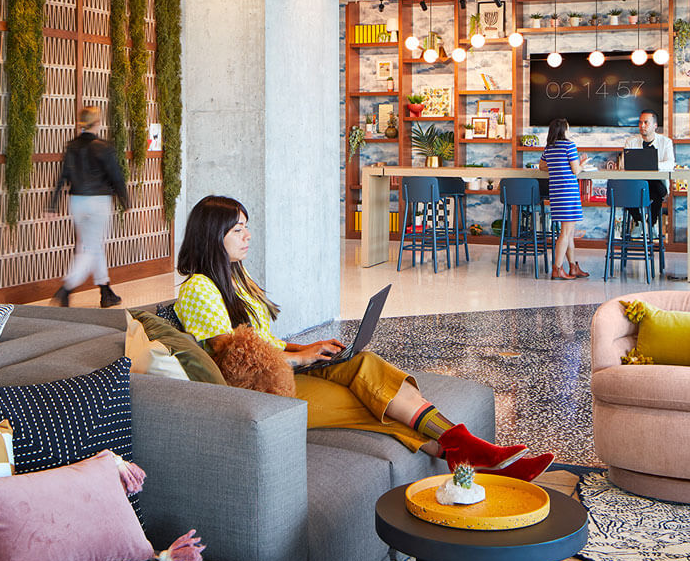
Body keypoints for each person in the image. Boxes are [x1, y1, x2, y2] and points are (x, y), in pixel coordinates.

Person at [173, 195, 553, 480]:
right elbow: (231, 362)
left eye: (245, 226)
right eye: (238, 229)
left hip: (280, 372)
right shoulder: (199, 289)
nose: (248, 235)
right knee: (374, 398)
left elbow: (260, 340)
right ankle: (473, 456)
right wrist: (301, 359)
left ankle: (464, 452)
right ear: (212, 236)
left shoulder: (234, 279)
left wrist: (303, 349)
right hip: (261, 396)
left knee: (362, 363)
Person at [45, 106, 131, 307]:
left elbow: (62, 177)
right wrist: (124, 200)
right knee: (90, 248)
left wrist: (52, 205)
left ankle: (106, 290)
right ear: (98, 122)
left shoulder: (72, 146)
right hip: (98, 202)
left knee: (93, 244)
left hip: (76, 200)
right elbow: (116, 177)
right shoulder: (104, 147)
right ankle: (66, 288)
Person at [541, 118, 587, 280]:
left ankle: (573, 267)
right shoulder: (569, 146)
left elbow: (542, 166)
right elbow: (575, 171)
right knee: (565, 233)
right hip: (569, 191)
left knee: (569, 232)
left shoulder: (549, 148)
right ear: (564, 130)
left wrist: (557, 165)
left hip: (556, 192)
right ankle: (557, 268)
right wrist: (582, 164)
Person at [621, 110, 675, 232]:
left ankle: (652, 223)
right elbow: (625, 164)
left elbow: (670, 163)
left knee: (655, 187)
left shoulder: (666, 142)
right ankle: (639, 221)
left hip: (656, 185)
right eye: (640, 123)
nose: (642, 126)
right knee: (625, 190)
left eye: (646, 122)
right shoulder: (631, 142)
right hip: (635, 184)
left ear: (655, 125)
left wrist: (653, 165)